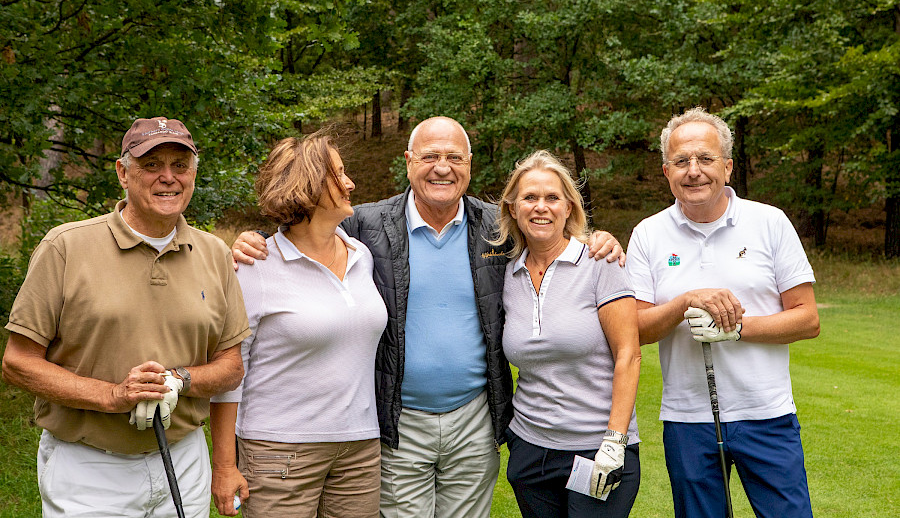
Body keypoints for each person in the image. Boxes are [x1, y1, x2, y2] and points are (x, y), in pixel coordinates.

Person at [231, 116, 625, 518]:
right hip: (400, 422)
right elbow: (300, 228)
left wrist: (595, 239)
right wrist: (252, 240)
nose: (443, 167)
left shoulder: (497, 225)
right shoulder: (366, 226)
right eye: (430, 156)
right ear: (408, 161)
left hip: (474, 419)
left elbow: (550, 232)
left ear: (469, 164)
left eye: (454, 157)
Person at [1, 117, 250, 518]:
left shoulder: (214, 253)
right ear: (123, 172)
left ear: (193, 174)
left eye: (180, 165)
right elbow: (17, 362)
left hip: (183, 457)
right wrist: (114, 396)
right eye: (151, 165)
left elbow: (231, 366)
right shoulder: (65, 247)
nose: (168, 178)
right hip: (89, 465)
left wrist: (179, 380)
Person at [625, 108, 820, 518]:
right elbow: (637, 328)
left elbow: (807, 318)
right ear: (666, 172)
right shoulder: (648, 233)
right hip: (687, 418)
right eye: (681, 161)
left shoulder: (769, 222)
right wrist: (683, 304)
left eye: (705, 159)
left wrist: (735, 329)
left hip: (766, 413)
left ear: (727, 167)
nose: (693, 171)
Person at [209, 133, 388, 518]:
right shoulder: (254, 266)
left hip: (359, 447)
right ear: (307, 187)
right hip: (280, 453)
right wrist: (224, 466)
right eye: (339, 175)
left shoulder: (362, 256)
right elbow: (229, 375)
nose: (350, 183)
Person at [492, 150, 641, 518]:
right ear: (513, 208)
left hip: (596, 449)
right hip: (530, 449)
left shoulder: (600, 263)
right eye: (530, 197)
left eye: (552, 198)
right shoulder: (506, 275)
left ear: (569, 208)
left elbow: (629, 354)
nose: (540, 207)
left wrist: (614, 441)